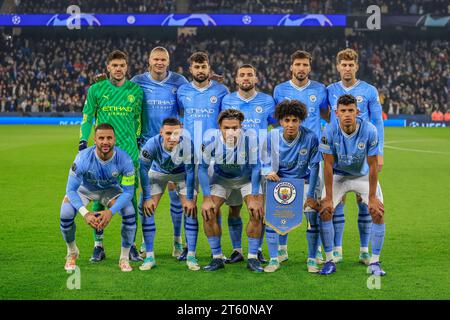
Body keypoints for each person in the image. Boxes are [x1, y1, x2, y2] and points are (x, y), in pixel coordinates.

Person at [78, 50, 144, 263]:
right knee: (98, 197)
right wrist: (82, 141)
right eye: (114, 65)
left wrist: (136, 141)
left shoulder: (136, 90)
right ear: (108, 67)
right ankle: (99, 245)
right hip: (102, 153)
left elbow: (138, 120)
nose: (118, 69)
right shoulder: (96, 89)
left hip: (129, 153)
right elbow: (87, 117)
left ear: (127, 67)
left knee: (130, 198)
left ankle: (131, 245)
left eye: (122, 65)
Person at [131, 46, 189, 260]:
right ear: (149, 60)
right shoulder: (138, 81)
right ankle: (146, 245)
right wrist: (103, 82)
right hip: (147, 147)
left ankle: (177, 242)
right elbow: (119, 91)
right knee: (145, 200)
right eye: (156, 59)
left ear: (168, 61)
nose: (159, 62)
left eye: (163, 59)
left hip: (172, 147)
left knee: (177, 199)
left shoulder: (179, 81)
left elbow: (189, 105)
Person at [327, 48, 384, 265]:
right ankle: (338, 249)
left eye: (351, 65)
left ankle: (364, 250)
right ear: (338, 66)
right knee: (337, 202)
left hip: (363, 153)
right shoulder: (329, 90)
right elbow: (325, 113)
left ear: (356, 67)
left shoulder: (369, 91)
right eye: (344, 64)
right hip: (338, 153)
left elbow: (378, 122)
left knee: (365, 202)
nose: (347, 68)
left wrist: (380, 154)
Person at [318, 94, 386, 276]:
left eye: (350, 110)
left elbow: (373, 166)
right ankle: (329, 260)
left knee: (378, 211)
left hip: (362, 176)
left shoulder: (370, 130)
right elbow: (328, 165)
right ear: (336, 113)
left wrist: (371, 197)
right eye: (343, 111)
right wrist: (329, 198)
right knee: (325, 211)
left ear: (358, 111)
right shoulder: (329, 131)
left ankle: (375, 261)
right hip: (339, 176)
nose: (347, 114)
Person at [273, 50, 329, 264]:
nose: (301, 68)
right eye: (298, 64)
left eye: (305, 64)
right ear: (291, 67)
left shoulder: (320, 89)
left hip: (312, 152)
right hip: (288, 154)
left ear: (310, 68)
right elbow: (276, 119)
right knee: (283, 205)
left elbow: (327, 114)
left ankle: (319, 252)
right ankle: (281, 249)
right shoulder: (280, 90)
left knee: (314, 206)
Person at [60, 123, 137, 272]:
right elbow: (70, 190)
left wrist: (111, 211)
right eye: (101, 138)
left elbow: (128, 192)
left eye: (109, 138)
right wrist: (85, 213)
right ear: (95, 140)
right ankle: (71, 252)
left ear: (115, 139)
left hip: (109, 190)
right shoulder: (82, 158)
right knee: (66, 213)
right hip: (85, 189)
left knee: (129, 212)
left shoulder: (125, 160)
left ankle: (124, 258)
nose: (105, 142)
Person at [221, 64, 276, 264]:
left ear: (256, 79)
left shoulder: (267, 101)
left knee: (258, 209)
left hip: (259, 163)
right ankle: (237, 250)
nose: (246, 78)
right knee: (233, 209)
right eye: (242, 75)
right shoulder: (227, 100)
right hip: (233, 164)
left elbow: (277, 127)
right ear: (236, 79)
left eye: (250, 75)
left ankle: (257, 249)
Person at [199, 109, 264, 272]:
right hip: (221, 179)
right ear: (219, 127)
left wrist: (255, 196)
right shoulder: (210, 139)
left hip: (246, 179)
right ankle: (217, 257)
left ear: (241, 127)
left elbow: (256, 167)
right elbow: (202, 168)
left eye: (235, 128)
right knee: (208, 213)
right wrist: (206, 198)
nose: (230, 132)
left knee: (257, 212)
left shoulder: (250, 138)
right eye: (226, 128)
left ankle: (253, 258)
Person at [262, 100, 321, 273]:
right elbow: (263, 159)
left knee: (312, 217)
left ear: (300, 121)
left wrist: (310, 195)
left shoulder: (310, 137)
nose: (290, 125)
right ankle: (275, 258)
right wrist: (267, 171)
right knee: (272, 219)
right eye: (287, 120)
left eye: (294, 120)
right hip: (278, 182)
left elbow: (316, 166)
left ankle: (312, 259)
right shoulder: (272, 136)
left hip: (304, 181)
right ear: (280, 121)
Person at [138, 117, 199, 271]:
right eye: (168, 133)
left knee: (190, 210)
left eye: (176, 134)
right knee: (147, 208)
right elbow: (143, 170)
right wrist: (146, 198)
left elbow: (191, 172)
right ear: (161, 132)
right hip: (158, 173)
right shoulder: (151, 144)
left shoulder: (187, 145)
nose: (172, 137)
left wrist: (190, 198)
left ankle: (191, 255)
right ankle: (150, 256)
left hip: (182, 175)